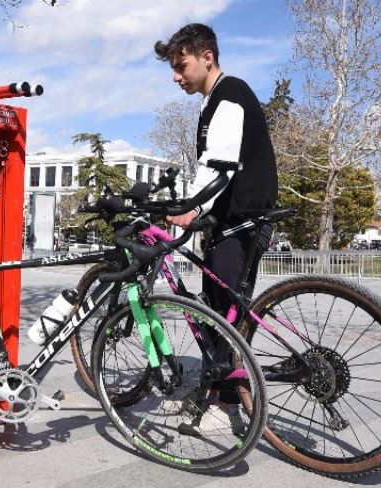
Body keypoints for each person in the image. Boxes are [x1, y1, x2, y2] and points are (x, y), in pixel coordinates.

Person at [154, 23, 278, 435]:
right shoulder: (216, 100)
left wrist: (189, 210)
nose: (176, 76)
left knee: (224, 312)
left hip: (242, 223)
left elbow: (218, 165)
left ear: (207, 56)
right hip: (233, 223)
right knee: (218, 304)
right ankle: (216, 389)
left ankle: (226, 402)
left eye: (181, 65)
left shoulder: (229, 96)